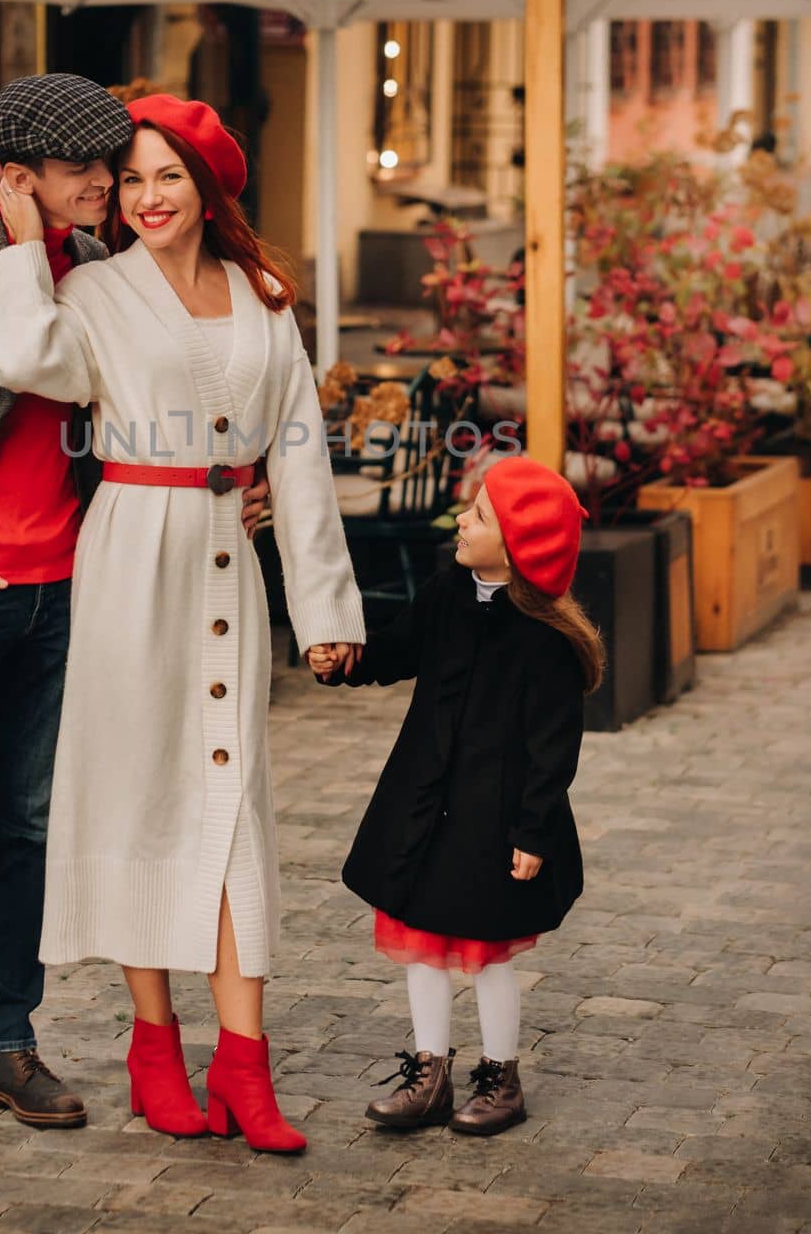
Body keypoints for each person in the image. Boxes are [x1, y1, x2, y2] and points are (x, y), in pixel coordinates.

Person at [0, 73, 270, 1153]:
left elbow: (152, 404)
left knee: (22, 831)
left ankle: (7, 1046)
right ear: (13, 175)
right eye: (83, 172)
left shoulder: (102, 271)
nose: (107, 187)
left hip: (71, 595)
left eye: (114, 170)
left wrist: (229, 479)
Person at [0, 93, 365, 1155]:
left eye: (165, 177)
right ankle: (154, 1042)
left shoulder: (264, 297)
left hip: (227, 560)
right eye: (129, 179)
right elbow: (27, 362)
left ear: (206, 187)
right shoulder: (91, 290)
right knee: (141, 794)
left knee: (233, 807)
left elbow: (299, 454)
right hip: (132, 555)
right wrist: (17, 251)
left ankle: (245, 1064)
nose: (143, 197)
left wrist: (323, 606)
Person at [309, 456, 604, 1137]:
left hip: (492, 820)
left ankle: (501, 1075)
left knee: (485, 948)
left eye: (476, 516)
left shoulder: (544, 638)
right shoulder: (447, 592)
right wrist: (346, 661)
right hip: (422, 803)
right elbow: (397, 652)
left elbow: (552, 748)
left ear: (517, 544)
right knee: (420, 940)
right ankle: (428, 1072)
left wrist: (532, 832)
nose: (459, 523)